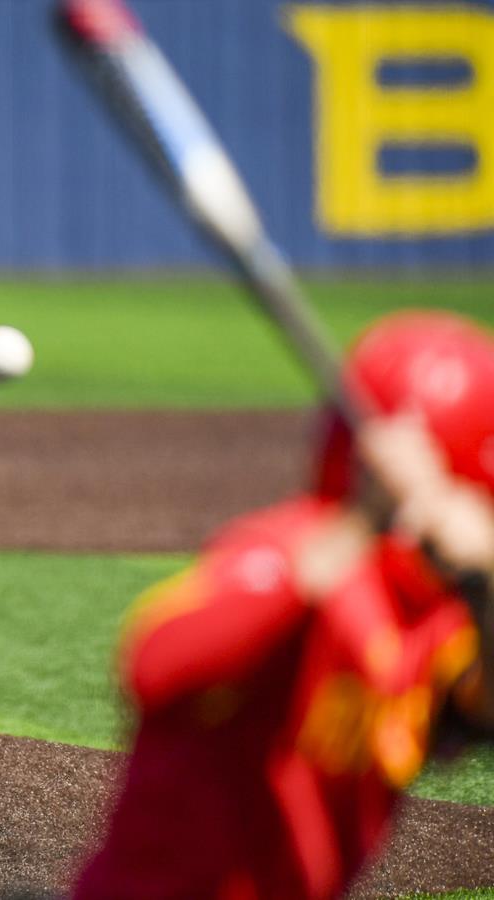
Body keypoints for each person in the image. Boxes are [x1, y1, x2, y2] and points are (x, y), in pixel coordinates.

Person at [72, 310, 494, 899]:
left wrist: (486, 586)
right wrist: (358, 527)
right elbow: (154, 664)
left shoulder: (441, 615)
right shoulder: (294, 548)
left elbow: (478, 716)